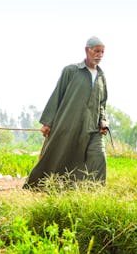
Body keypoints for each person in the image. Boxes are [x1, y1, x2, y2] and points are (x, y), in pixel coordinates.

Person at [23, 35, 109, 189]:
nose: (100, 55)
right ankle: (40, 186)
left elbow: (102, 103)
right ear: (87, 50)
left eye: (102, 52)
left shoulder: (102, 77)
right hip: (69, 124)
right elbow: (58, 94)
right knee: (59, 156)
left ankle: (93, 192)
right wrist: (48, 122)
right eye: (97, 51)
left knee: (99, 156)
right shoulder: (71, 71)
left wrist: (104, 121)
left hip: (93, 128)